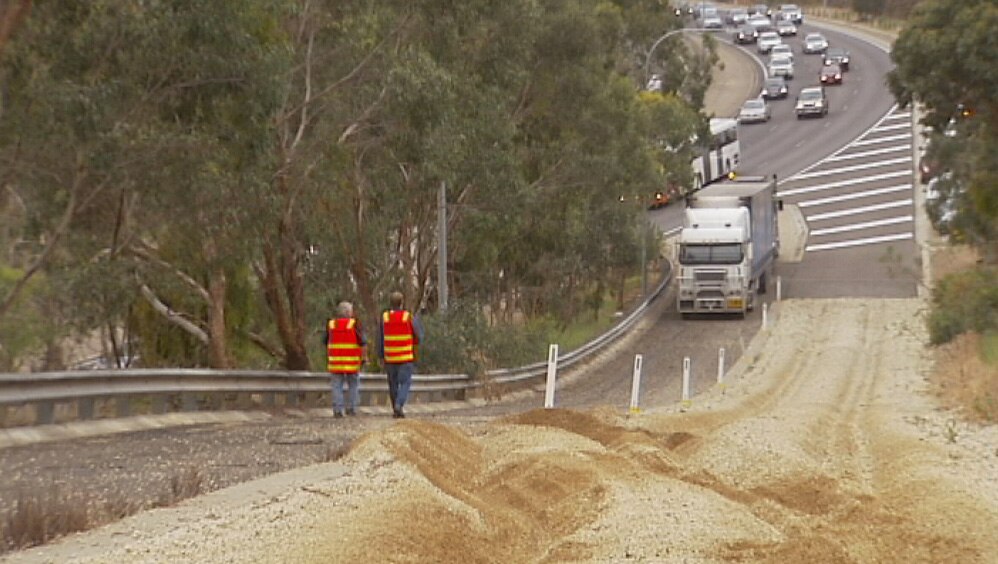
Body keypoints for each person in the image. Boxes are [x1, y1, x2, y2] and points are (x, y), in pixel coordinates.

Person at [378, 291, 423, 419]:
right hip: (405, 357)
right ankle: (399, 405)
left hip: (390, 357)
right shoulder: (408, 317)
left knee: (392, 384)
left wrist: (380, 355)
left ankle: (395, 408)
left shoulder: (385, 317)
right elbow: (418, 335)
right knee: (405, 383)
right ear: (402, 303)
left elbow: (380, 338)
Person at [325, 301, 366, 418]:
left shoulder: (331, 325)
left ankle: (337, 410)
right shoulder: (355, 324)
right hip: (351, 362)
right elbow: (363, 342)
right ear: (348, 312)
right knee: (353, 385)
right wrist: (363, 357)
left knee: (336, 386)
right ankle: (351, 408)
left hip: (335, 362)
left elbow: (326, 341)